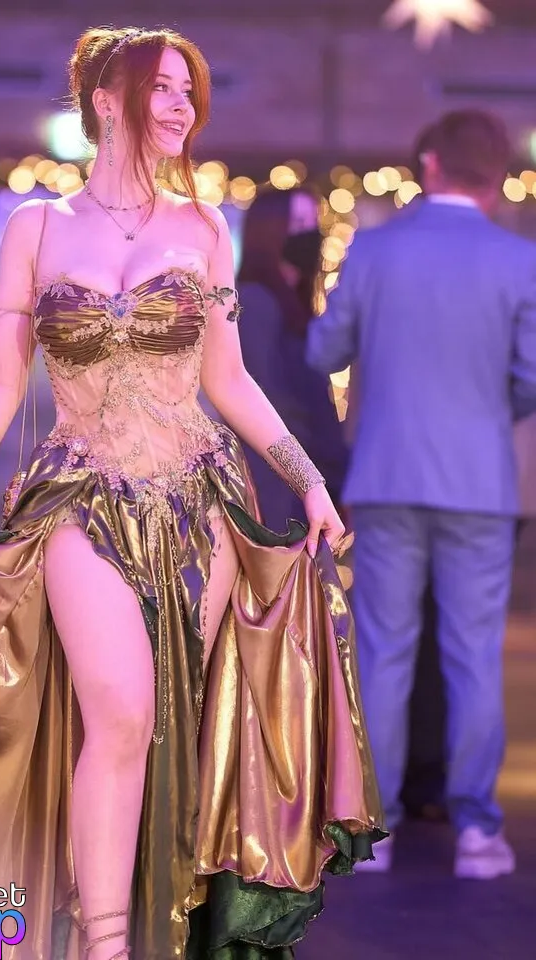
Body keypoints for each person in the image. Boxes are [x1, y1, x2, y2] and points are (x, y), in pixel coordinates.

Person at [0, 27, 385, 959]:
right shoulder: (35, 227)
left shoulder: (204, 227)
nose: (183, 107)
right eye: (163, 88)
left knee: (176, 723)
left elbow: (228, 378)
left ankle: (162, 929)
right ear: (107, 101)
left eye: (191, 91)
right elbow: (0, 376)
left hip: (197, 498)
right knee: (120, 711)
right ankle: (103, 946)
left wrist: (307, 480)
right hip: (77, 498)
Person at [307, 109, 536, 879]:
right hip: (480, 483)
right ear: (496, 175)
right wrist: (483, 413)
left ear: (429, 164)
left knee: (383, 651)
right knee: (472, 657)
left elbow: (324, 350)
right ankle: (475, 832)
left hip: (385, 475)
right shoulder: (519, 261)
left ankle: (371, 831)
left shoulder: (373, 250)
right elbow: (530, 379)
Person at [236, 187, 349, 529]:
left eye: (313, 224)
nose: (309, 235)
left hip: (307, 481)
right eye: (298, 224)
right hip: (280, 486)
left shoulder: (294, 305)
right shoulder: (254, 303)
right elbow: (270, 399)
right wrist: (311, 477)